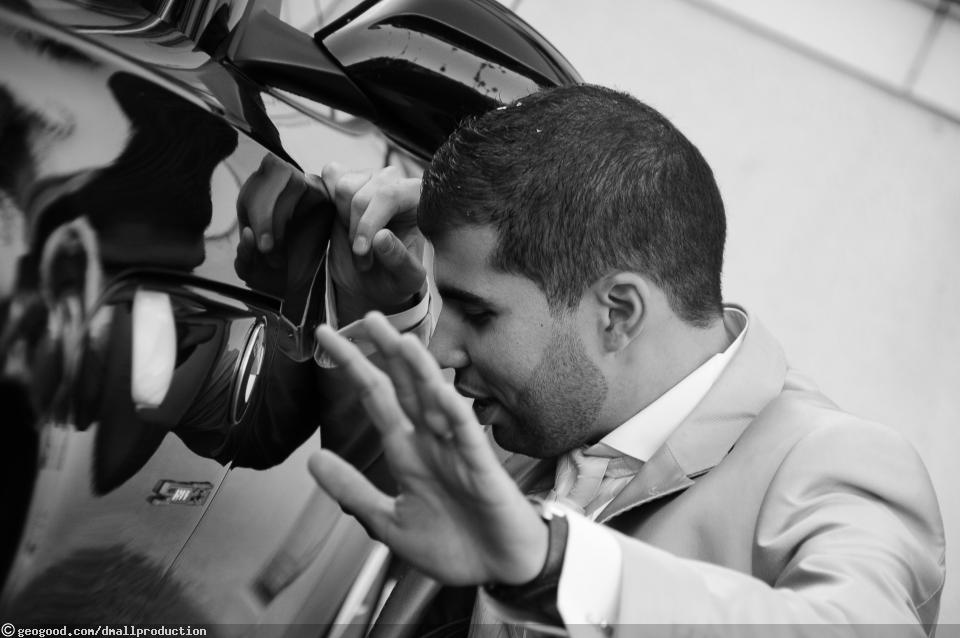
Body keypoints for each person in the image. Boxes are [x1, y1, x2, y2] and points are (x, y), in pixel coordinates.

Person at [241, 84, 945, 637]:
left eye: (478, 313)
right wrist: (379, 303)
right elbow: (409, 492)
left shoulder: (838, 466)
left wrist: (554, 564)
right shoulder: (552, 413)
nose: (442, 346)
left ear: (618, 313)